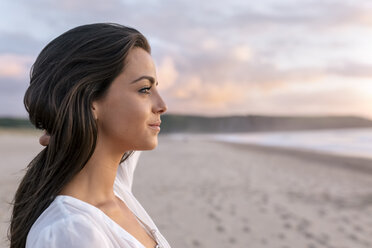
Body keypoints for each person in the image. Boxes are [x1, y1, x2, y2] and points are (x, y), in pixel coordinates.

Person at [8, 23, 170, 248]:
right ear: (90, 99)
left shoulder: (115, 189)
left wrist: (66, 126)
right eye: (144, 89)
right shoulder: (71, 233)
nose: (162, 105)